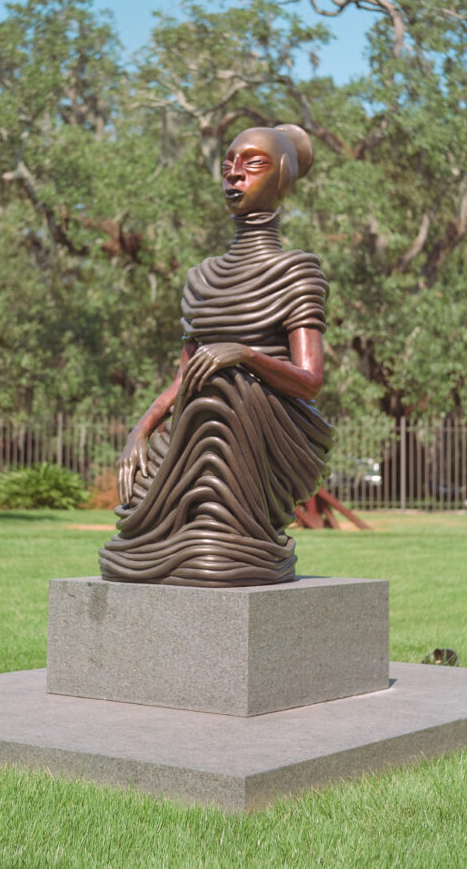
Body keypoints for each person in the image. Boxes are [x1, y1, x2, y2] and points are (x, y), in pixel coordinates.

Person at [99, 124, 332, 587]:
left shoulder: (296, 271)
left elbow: (309, 381)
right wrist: (141, 430)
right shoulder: (201, 277)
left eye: (252, 164)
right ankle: (191, 547)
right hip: (206, 416)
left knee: (224, 386)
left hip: (273, 425)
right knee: (136, 518)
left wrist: (242, 354)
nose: (235, 176)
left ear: (282, 176)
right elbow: (186, 376)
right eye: (227, 166)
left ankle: (232, 546)